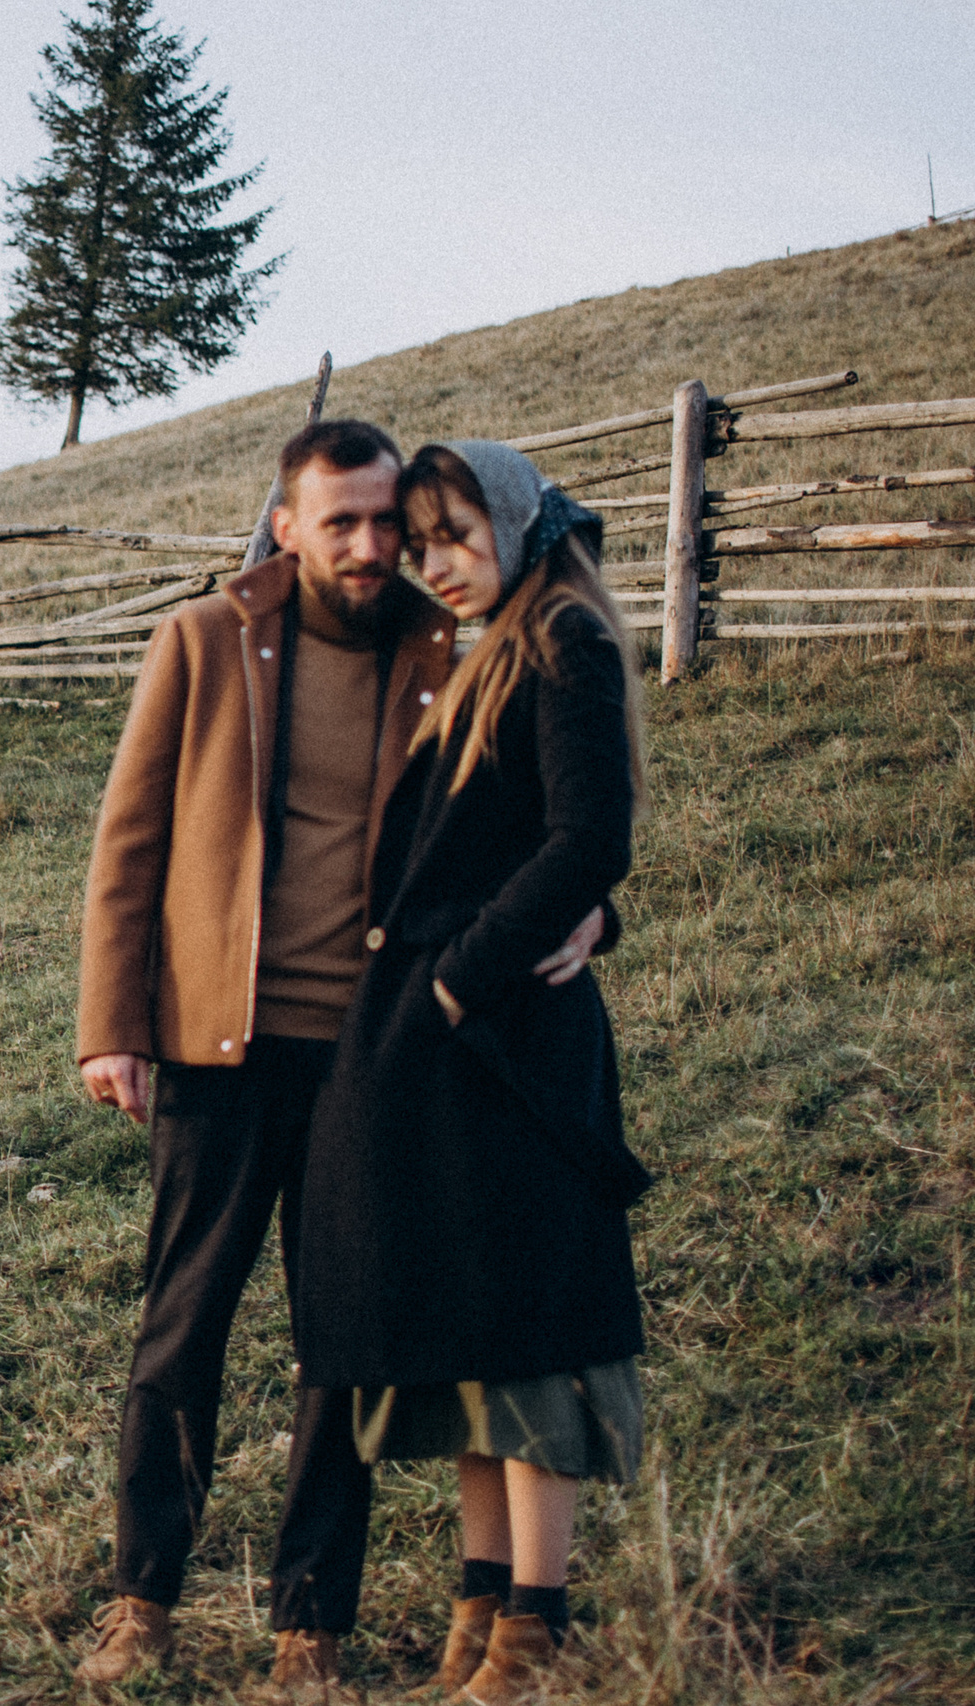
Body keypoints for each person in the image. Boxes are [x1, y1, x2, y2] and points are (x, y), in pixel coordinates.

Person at [72, 421, 608, 1690]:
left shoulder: (447, 648)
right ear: (289, 524)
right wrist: (110, 1021)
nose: (372, 546)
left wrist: (599, 905)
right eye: (343, 522)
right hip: (215, 1041)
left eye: (388, 522)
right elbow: (127, 840)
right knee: (181, 1326)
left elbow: (527, 825)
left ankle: (311, 1616)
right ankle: (139, 1597)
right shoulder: (204, 641)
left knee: (344, 1344)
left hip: (369, 1061)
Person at [291, 440, 652, 1705]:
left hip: (506, 1049)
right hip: (455, 1050)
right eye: (421, 540)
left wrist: (460, 978)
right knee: (467, 1324)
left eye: (454, 537)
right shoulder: (487, 647)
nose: (430, 565)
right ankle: (480, 1595)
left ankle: (533, 1625)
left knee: (528, 1339)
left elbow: (586, 839)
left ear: (516, 526)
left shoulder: (562, 642)